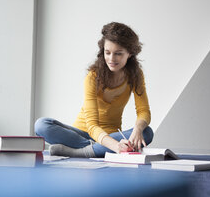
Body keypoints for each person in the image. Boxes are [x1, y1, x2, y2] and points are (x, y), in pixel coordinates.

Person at [35, 22, 153, 158]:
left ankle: (80, 151)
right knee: (41, 125)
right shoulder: (93, 76)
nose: (111, 59)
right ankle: (95, 149)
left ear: (130, 53)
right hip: (82, 133)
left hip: (110, 134)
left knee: (146, 132)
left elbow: (143, 111)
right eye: (107, 53)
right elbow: (91, 125)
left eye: (118, 54)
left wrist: (137, 129)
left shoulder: (135, 75)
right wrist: (115, 146)